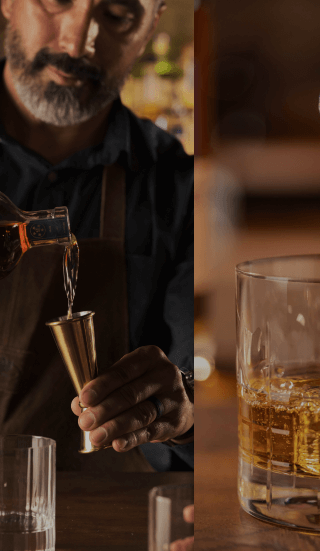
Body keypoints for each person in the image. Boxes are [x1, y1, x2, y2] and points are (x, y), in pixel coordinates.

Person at [0, 0, 193, 472]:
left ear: (151, 25)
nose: (76, 42)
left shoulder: (178, 187)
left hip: (106, 524)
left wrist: (181, 410)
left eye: (119, 13)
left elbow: (196, 388)